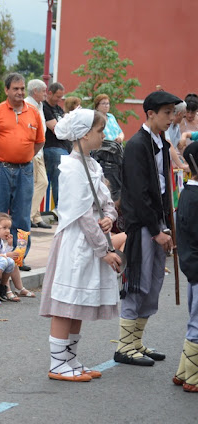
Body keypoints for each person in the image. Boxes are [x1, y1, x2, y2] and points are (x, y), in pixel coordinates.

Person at [38, 107, 121, 381]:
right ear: (84, 135)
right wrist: (105, 250)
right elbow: (82, 215)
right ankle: (58, 363)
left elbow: (105, 203)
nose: (103, 135)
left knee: (78, 303)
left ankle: (70, 359)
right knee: (67, 303)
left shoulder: (93, 165)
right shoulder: (71, 167)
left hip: (91, 241)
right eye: (99, 131)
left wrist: (109, 217)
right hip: (77, 243)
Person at [114, 90, 181, 367]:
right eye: (166, 112)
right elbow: (139, 194)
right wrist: (156, 229)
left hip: (159, 223)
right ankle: (123, 346)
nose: (171, 118)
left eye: (172, 112)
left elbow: (164, 188)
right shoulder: (137, 145)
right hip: (143, 224)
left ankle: (136, 341)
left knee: (154, 283)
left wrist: (168, 224)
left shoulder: (162, 144)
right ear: (150, 113)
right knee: (138, 282)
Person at [0, 73, 45, 272]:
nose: (19, 92)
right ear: (7, 90)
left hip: (25, 170)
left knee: (22, 217)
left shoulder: (34, 112)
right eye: (15, 89)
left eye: (22, 89)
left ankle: (19, 258)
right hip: (0, 169)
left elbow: (40, 141)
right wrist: (2, 155)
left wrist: (23, 156)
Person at [174, 141, 198, 392]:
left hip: (193, 267)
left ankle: (184, 371)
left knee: (195, 319)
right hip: (197, 267)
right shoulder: (194, 197)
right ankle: (193, 378)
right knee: (197, 323)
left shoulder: (188, 193)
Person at [25, 79, 50, 229]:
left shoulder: (39, 105)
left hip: (39, 151)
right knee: (39, 183)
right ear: (35, 91)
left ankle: (34, 215)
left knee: (41, 182)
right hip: (32, 150)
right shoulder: (28, 105)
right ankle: (29, 216)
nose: (45, 94)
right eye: (43, 91)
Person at [92, 94, 125, 201]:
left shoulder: (111, 117)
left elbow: (121, 132)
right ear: (97, 105)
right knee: (109, 183)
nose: (106, 106)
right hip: (104, 152)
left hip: (117, 150)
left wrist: (120, 137)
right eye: (103, 103)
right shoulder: (96, 118)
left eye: (108, 103)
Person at [42, 82, 67, 209]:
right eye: (57, 96)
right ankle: (60, 208)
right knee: (59, 177)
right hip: (51, 146)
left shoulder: (58, 108)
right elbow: (56, 129)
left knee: (66, 178)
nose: (59, 100)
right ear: (50, 93)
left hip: (63, 146)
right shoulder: (45, 107)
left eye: (61, 97)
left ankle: (64, 206)